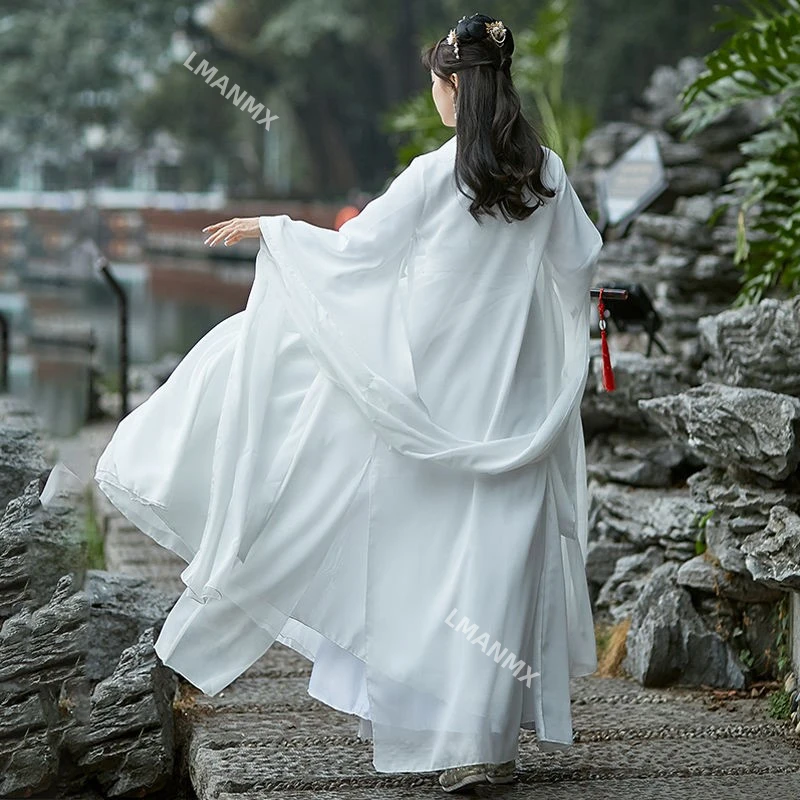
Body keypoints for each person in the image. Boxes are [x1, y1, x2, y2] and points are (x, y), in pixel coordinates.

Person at [93, 11, 603, 794]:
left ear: (454, 89)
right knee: (497, 564)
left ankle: (450, 735)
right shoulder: (547, 174)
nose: (435, 98)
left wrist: (274, 228)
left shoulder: (439, 175)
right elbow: (578, 265)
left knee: (430, 565)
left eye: (437, 84)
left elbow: (358, 252)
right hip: (513, 401)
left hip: (432, 396)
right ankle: (487, 742)